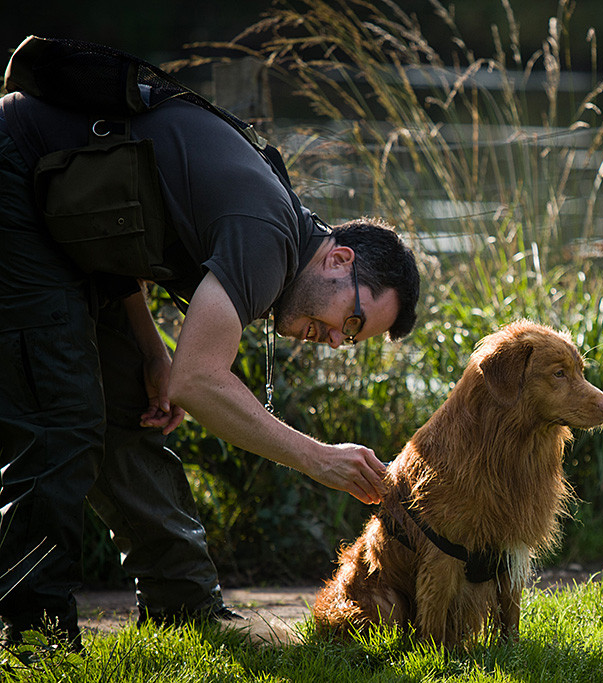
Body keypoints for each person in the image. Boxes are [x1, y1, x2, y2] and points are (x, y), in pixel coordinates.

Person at [0, 85, 421, 649]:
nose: (335, 340)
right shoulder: (268, 235)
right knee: (61, 420)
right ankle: (36, 640)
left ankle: (185, 611)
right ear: (339, 260)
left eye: (350, 340)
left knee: (129, 411)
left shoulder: (279, 239)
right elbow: (197, 381)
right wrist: (318, 458)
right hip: (19, 173)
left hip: (68, 220)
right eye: (351, 320)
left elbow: (119, 240)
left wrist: (152, 351)